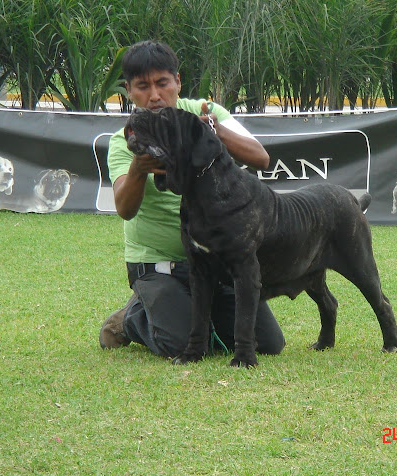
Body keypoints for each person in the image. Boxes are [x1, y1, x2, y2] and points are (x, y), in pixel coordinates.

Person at [99, 40, 285, 359]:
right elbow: (124, 209)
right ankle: (131, 319)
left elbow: (262, 159)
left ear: (178, 82)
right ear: (129, 90)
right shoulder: (124, 141)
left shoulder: (206, 112)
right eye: (143, 86)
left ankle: (192, 313)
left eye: (162, 83)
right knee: (178, 343)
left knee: (268, 344)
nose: (155, 95)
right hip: (157, 265)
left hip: (217, 260)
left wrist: (215, 132)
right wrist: (139, 168)